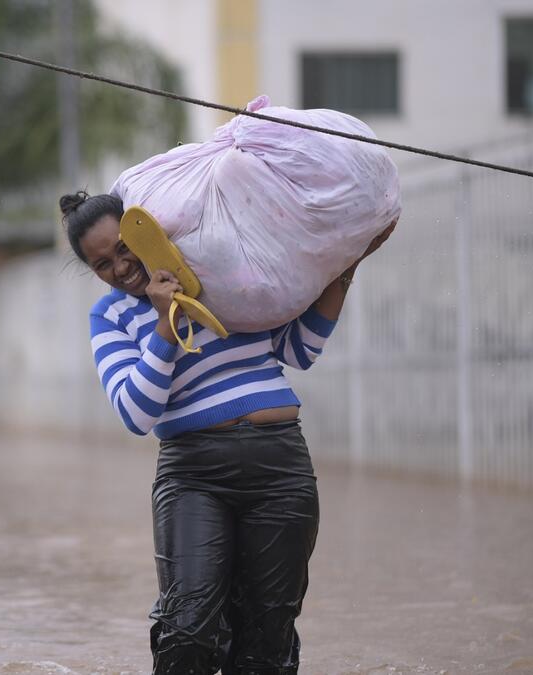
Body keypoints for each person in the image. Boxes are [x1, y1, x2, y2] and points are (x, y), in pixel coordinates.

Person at [59, 191, 395, 674]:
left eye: (124, 247)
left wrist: (347, 265)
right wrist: (164, 322)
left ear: (142, 232)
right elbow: (136, 413)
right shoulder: (109, 316)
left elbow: (299, 348)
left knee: (268, 638)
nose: (121, 266)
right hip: (195, 476)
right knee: (189, 628)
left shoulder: (214, 272)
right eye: (103, 264)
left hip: (281, 469)